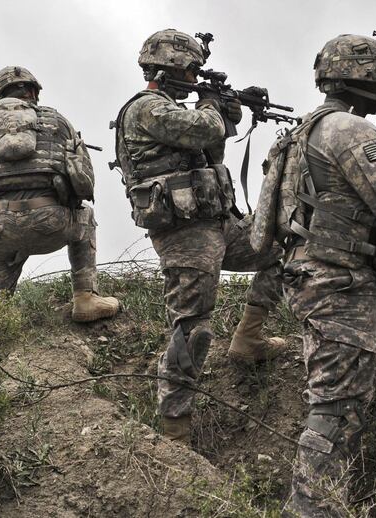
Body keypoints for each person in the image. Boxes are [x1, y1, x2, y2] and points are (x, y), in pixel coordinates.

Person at [253, 35, 376, 516]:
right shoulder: (348, 130)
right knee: (338, 408)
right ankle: (310, 511)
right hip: (338, 288)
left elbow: (260, 235)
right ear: (369, 78)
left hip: (351, 284)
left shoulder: (296, 136)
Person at [114, 29, 285, 444]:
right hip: (184, 233)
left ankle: (249, 338)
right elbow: (204, 129)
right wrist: (215, 106)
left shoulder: (175, 109)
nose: (195, 79)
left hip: (219, 223)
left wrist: (231, 109)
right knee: (194, 328)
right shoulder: (146, 108)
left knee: (283, 249)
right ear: (170, 67)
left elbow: (209, 148)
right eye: (191, 71)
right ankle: (175, 427)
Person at [0, 66, 119, 323]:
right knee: (85, 216)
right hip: (51, 221)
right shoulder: (58, 120)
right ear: (33, 91)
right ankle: (85, 298)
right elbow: (83, 182)